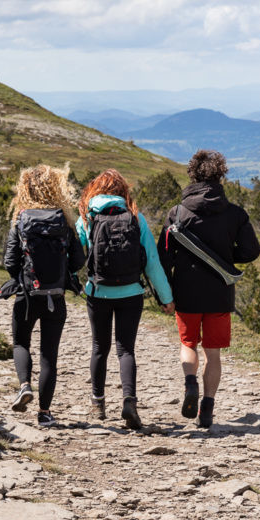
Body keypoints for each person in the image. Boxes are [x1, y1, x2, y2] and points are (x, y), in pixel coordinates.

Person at [158, 150, 260, 428]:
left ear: (192, 174)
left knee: (188, 343)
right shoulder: (235, 214)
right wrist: (227, 256)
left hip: (186, 292)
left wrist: (164, 295)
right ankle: (207, 408)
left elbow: (163, 257)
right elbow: (252, 251)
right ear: (221, 175)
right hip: (219, 294)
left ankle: (190, 384)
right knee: (213, 353)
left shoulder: (176, 213)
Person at [76, 169, 174, 430]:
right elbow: (152, 263)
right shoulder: (136, 218)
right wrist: (166, 298)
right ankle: (129, 401)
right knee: (126, 349)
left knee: (99, 347)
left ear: (95, 190)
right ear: (122, 191)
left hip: (97, 291)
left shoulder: (87, 217)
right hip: (131, 292)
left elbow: (77, 254)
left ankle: (98, 404)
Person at [3, 165, 86, 427]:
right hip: (56, 297)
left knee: (20, 344)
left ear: (24, 188)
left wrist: (23, 274)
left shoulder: (21, 219)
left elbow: (9, 262)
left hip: (27, 296)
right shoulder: (63, 220)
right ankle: (45, 412)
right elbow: (79, 261)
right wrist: (61, 272)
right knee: (49, 354)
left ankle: (25, 385)